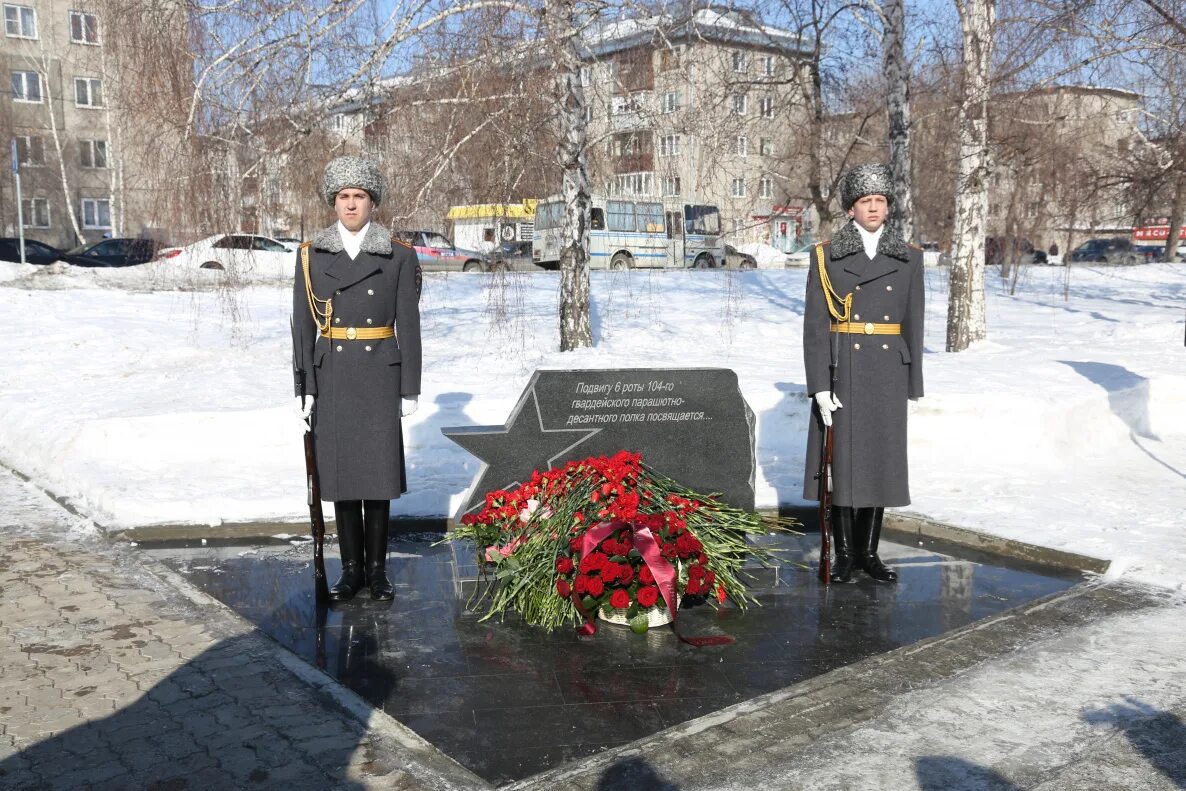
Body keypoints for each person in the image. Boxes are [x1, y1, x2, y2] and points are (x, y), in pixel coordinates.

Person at [291, 155, 422, 602]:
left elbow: (409, 322)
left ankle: (378, 572)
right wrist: (304, 385)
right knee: (343, 476)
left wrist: (409, 385)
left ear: (373, 203)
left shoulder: (398, 255)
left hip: (378, 373)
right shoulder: (311, 255)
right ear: (334, 202)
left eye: (359, 197)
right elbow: (302, 326)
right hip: (333, 375)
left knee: (377, 477)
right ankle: (350, 570)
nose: (351, 205)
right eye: (343, 197)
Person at [802, 163, 924, 584]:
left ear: (888, 206)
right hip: (844, 370)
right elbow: (815, 328)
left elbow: (913, 320)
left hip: (888, 368)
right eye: (865, 201)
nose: (873, 208)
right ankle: (845, 554)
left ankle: (869, 553)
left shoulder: (909, 257)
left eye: (880, 200)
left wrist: (913, 381)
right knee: (844, 462)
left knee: (881, 461)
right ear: (851, 209)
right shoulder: (827, 255)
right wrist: (818, 386)